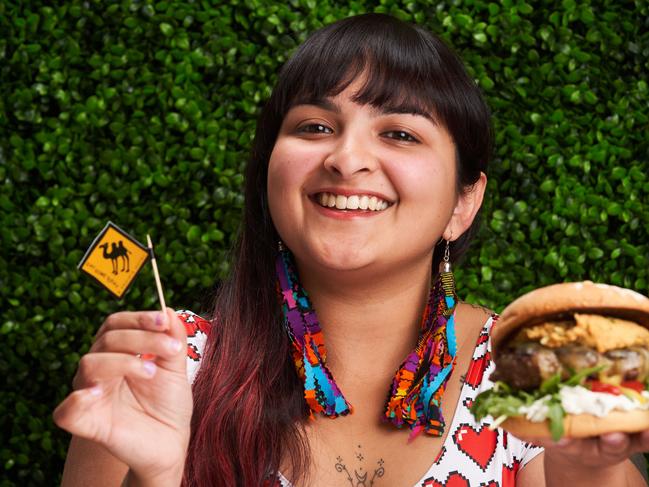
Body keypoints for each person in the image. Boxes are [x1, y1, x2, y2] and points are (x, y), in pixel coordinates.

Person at [53, 13, 649, 487]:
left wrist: (588, 470)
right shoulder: (167, 364)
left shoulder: (528, 371)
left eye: (399, 133)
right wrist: (153, 480)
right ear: (271, 173)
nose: (345, 158)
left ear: (463, 204)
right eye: (314, 127)